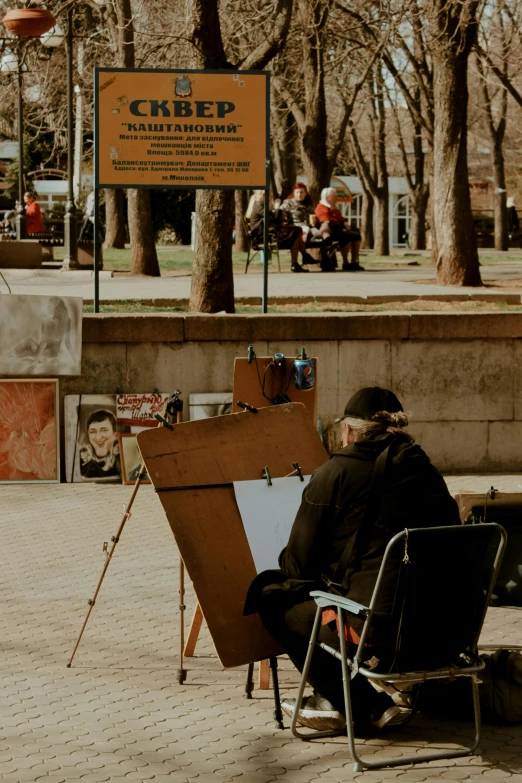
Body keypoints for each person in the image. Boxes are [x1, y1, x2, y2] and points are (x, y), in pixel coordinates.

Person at [245, 386, 460, 732]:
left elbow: (298, 569)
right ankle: (345, 701)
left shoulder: (335, 474)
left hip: (379, 632)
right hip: (441, 630)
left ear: (347, 431)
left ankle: (364, 705)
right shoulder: (427, 472)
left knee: (272, 599)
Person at [247, 191, 315, 273]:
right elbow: (273, 219)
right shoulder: (259, 206)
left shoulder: (261, 205)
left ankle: (298, 262)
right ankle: (300, 260)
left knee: (296, 232)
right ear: (260, 196)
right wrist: (277, 208)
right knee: (296, 232)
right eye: (266, 195)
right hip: (263, 237)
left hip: (267, 234)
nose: (268, 197)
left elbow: (272, 219)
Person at [315, 187, 363, 270]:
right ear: (327, 198)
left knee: (356, 235)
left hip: (338, 229)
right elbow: (325, 220)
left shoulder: (333, 208)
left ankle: (353, 261)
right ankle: (345, 262)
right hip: (330, 231)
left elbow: (341, 218)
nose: (336, 198)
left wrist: (345, 223)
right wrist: (342, 223)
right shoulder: (321, 207)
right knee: (348, 235)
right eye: (334, 196)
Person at [80, 409, 121, 479]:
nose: (98, 437)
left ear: (115, 435)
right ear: (88, 435)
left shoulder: (121, 459)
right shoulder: (82, 459)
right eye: (93, 432)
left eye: (104, 431)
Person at [280, 183, 321, 247]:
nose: (299, 195)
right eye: (297, 192)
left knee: (320, 234)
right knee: (306, 231)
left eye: (301, 192)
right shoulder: (288, 203)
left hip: (308, 228)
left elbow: (313, 216)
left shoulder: (308, 205)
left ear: (305, 193)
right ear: (294, 193)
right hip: (295, 229)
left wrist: (314, 222)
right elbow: (279, 213)